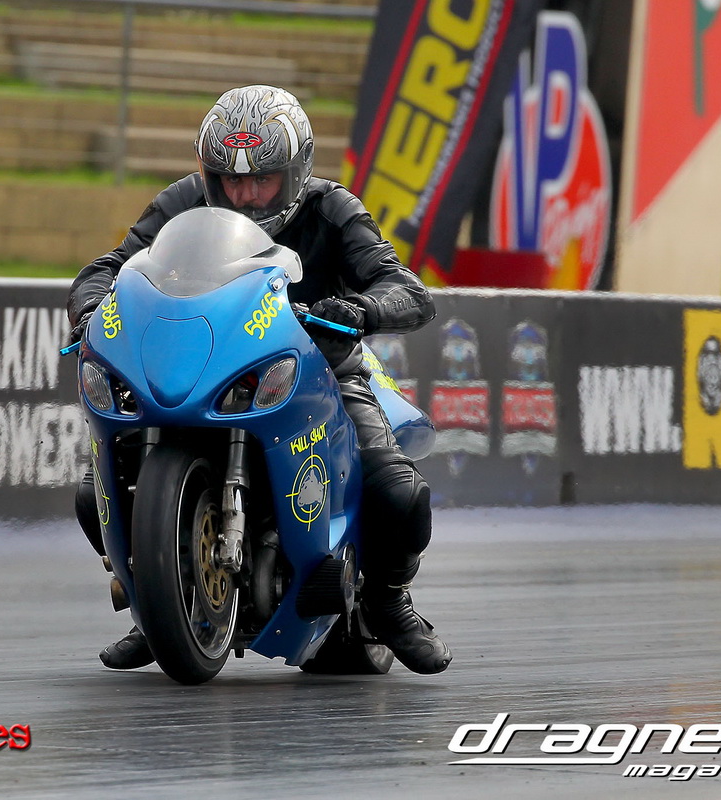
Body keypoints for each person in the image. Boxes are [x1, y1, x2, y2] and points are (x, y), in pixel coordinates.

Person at [66, 85, 450, 675]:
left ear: (294, 173)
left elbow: (408, 289)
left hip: (320, 369)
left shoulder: (333, 208)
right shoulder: (182, 202)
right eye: (230, 180)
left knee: (398, 493)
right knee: (92, 492)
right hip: (203, 367)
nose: (244, 194)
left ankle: (388, 601)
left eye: (262, 180)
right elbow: (111, 267)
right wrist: (92, 308)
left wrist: (361, 310)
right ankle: (159, 604)